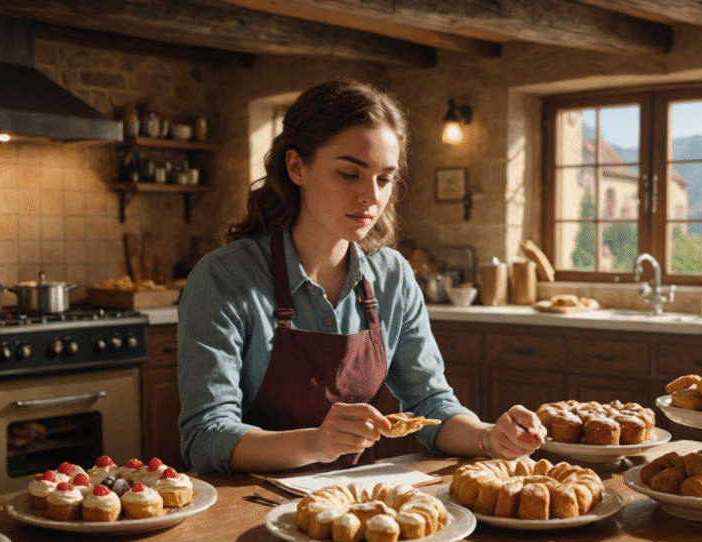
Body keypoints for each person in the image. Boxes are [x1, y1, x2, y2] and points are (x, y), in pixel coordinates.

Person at [176, 80, 546, 474]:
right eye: (350, 173)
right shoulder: (224, 278)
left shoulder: (392, 276)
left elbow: (432, 406)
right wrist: (314, 443)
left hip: (349, 504)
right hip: (245, 509)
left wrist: (488, 437)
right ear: (297, 166)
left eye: (384, 178)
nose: (371, 196)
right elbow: (206, 437)